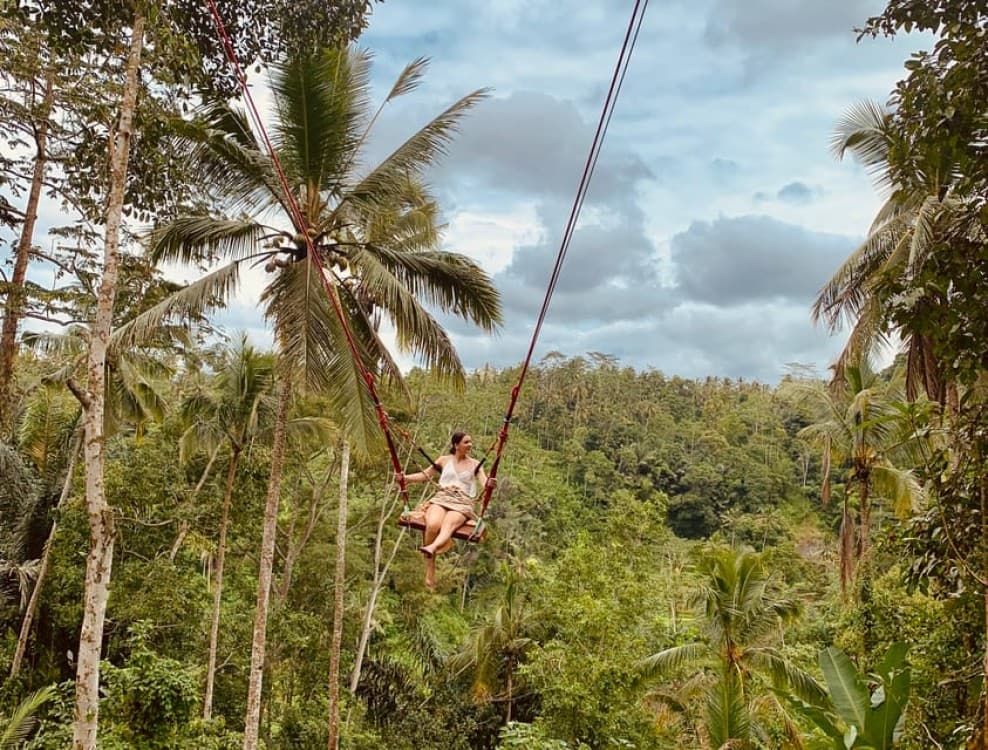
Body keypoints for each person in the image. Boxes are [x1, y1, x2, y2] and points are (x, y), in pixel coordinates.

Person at [398, 432, 495, 588]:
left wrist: (489, 484)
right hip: (442, 498)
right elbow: (425, 475)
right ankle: (430, 566)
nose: (470, 445)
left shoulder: (476, 464)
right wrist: (405, 478)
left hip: (462, 502)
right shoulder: (444, 460)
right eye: (466, 442)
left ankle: (433, 547)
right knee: (433, 524)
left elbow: (484, 483)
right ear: (456, 445)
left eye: (471, 442)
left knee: (448, 524)